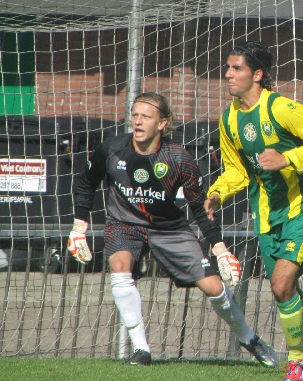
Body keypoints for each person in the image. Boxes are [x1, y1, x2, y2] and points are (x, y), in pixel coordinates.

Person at [68, 92, 278, 368]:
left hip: (169, 229)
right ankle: (141, 349)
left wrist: (220, 248)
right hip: (124, 224)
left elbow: (200, 208)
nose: (139, 122)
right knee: (119, 267)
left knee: (214, 288)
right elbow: (85, 183)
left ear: (163, 123)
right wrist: (79, 227)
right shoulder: (112, 148)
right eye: (135, 115)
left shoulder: (179, 159)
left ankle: (248, 338)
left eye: (147, 116)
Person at [204, 41, 303, 381]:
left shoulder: (281, 109)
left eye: (236, 68)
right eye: (228, 68)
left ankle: (297, 362)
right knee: (285, 290)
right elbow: (238, 171)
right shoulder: (229, 119)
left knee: (282, 285)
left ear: (258, 74)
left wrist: (287, 159)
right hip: (267, 213)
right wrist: (217, 193)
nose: (228, 74)